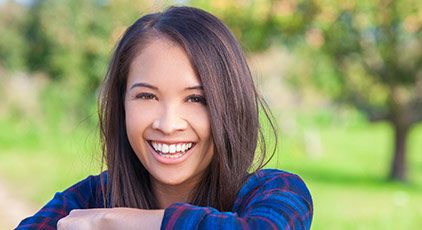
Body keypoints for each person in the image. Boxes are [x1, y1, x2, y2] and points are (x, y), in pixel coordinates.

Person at [17, 6, 313, 230]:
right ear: (122, 105)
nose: (168, 124)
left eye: (196, 99)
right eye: (147, 96)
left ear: (230, 106)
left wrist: (119, 222)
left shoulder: (275, 192)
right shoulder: (90, 199)